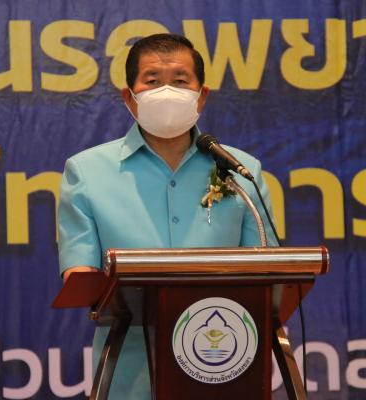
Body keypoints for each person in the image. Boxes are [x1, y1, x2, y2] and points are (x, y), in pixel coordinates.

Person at [58, 33, 277, 399]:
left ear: (201, 95)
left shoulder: (241, 170)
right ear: (129, 97)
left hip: (225, 361)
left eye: (179, 81)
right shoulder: (86, 172)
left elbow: (268, 274)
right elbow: (80, 276)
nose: (167, 91)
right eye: (152, 81)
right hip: (130, 369)